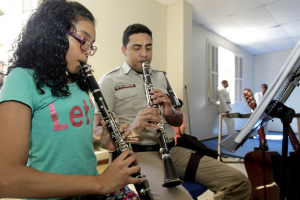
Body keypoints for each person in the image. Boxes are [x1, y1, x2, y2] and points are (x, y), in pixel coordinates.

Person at [0, 1, 145, 199]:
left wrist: (103, 141)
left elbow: (70, 142)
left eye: (91, 45)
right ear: (54, 35)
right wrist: (101, 183)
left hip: (90, 188)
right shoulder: (22, 78)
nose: (87, 51)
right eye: (83, 40)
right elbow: (6, 178)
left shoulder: (78, 81)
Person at [94, 23, 251, 200]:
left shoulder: (161, 77)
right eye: (137, 48)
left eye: (149, 47)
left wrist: (169, 112)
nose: (144, 54)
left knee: (239, 182)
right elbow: (97, 132)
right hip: (137, 154)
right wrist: (134, 126)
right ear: (124, 50)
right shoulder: (109, 80)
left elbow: (179, 119)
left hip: (171, 150)